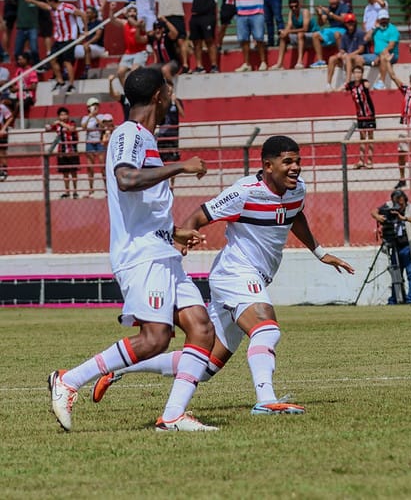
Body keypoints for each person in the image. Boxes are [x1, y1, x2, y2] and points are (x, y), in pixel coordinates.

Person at [91, 135, 355, 416]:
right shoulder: (244, 192)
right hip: (235, 271)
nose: (295, 168)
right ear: (268, 165)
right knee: (267, 327)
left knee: (204, 366)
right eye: (287, 161)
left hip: (254, 276)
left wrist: (319, 252)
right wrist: (180, 245)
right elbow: (199, 215)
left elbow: (294, 216)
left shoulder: (297, 190)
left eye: (298, 161)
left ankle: (119, 369)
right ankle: (266, 399)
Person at [48, 66, 217, 433]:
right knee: (155, 338)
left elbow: (140, 206)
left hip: (160, 252)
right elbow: (125, 179)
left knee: (202, 330)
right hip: (140, 257)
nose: (173, 94)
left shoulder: (147, 139)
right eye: (169, 88)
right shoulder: (130, 133)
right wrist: (181, 167)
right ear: (159, 95)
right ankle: (69, 380)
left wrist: (173, 233)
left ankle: (172, 415)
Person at [216, 0, 277, 72]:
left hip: (257, 14)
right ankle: (246, 64)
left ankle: (263, 62)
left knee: (259, 38)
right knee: (244, 40)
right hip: (241, 15)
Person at [371, 189, 411, 304]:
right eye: (396, 201)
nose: (398, 205)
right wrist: (378, 217)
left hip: (409, 246)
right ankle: (395, 298)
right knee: (396, 273)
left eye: (401, 202)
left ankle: (410, 299)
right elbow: (374, 211)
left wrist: (404, 218)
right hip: (394, 246)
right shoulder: (389, 206)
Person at [29, 0, 87, 94]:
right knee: (52, 58)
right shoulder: (52, 9)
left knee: (67, 62)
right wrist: (31, 0)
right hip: (59, 39)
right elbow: (43, 5)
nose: (48, 4)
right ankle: (60, 81)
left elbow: (83, 14)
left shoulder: (67, 7)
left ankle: (71, 84)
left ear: (52, 1)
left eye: (48, 2)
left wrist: (85, 30)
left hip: (69, 38)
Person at [144, 0, 189, 72]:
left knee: (181, 41)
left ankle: (185, 65)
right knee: (162, 40)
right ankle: (162, 62)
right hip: (164, 17)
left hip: (177, 15)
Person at [184, 0, 219, 73]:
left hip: (208, 16)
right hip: (195, 17)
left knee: (209, 41)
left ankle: (214, 66)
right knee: (196, 43)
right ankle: (199, 66)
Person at [270, 0, 319, 70]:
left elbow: (305, 29)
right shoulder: (291, 13)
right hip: (301, 36)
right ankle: (279, 64)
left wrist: (288, 31)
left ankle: (299, 62)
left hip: (313, 35)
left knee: (300, 34)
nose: (294, 8)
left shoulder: (305, 12)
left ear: (299, 5)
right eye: (291, 7)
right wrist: (284, 32)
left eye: (295, 6)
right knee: (284, 37)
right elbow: (289, 25)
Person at [356, 8, 399, 91]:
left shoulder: (393, 29)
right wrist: (373, 27)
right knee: (358, 58)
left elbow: (391, 46)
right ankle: (359, 83)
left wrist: (379, 56)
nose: (383, 21)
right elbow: (365, 39)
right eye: (382, 19)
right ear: (378, 19)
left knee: (383, 56)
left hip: (391, 55)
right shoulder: (376, 29)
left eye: (385, 19)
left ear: (388, 19)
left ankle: (381, 82)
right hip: (376, 55)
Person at [345, 65, 375, 169]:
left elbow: (367, 85)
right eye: (355, 72)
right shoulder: (351, 85)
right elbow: (344, 87)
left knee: (370, 137)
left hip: (369, 113)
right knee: (362, 138)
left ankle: (370, 161)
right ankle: (361, 161)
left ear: (362, 74)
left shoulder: (364, 82)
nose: (357, 74)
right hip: (360, 115)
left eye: (359, 72)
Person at [310, 0, 351, 68]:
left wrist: (330, 13)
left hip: (343, 29)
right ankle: (320, 61)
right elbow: (321, 23)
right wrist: (319, 15)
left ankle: (342, 58)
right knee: (315, 35)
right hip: (331, 30)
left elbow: (343, 20)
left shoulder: (344, 7)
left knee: (337, 34)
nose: (332, 1)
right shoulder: (328, 9)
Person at [4, 0, 40, 64]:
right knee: (17, 51)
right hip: (21, 29)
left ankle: (37, 65)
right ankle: (20, 68)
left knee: (34, 49)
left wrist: (32, 1)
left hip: (33, 28)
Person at [47, 107, 80, 199]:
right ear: (58, 116)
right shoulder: (57, 126)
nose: (64, 116)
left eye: (65, 114)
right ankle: (67, 191)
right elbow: (48, 128)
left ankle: (75, 191)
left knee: (73, 172)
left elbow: (71, 129)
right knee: (65, 173)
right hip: (62, 151)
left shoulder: (71, 122)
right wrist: (49, 126)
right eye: (61, 115)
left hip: (72, 151)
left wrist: (61, 123)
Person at [110, 3, 148, 83]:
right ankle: (127, 92)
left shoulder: (141, 22)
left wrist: (127, 15)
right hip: (128, 53)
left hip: (140, 52)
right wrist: (111, 10)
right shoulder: (125, 23)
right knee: (120, 73)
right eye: (130, 11)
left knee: (133, 72)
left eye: (134, 11)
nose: (132, 13)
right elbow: (112, 19)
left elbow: (136, 24)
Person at [325, 12, 364, 89]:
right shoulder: (345, 35)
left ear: (355, 22)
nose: (350, 24)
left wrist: (349, 55)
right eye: (348, 22)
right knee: (332, 59)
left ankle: (348, 82)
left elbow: (361, 49)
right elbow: (342, 49)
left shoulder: (359, 33)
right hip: (348, 56)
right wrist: (341, 53)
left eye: (352, 22)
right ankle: (328, 84)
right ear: (345, 24)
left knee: (348, 57)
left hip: (357, 56)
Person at [156, 87, 184, 189]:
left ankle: (172, 185)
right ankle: (163, 183)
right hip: (163, 135)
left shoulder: (177, 101)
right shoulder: (161, 102)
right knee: (161, 161)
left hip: (173, 135)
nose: (169, 92)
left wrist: (175, 102)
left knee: (173, 161)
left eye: (170, 90)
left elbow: (183, 114)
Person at [81, 97, 106, 196]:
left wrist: (95, 117)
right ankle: (91, 188)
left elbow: (103, 126)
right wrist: (90, 116)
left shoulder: (101, 116)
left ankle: (106, 188)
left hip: (99, 142)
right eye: (92, 106)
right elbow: (83, 127)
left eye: (96, 105)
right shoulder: (85, 117)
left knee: (102, 166)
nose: (95, 107)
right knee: (90, 167)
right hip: (90, 142)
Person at [74, 6, 108, 79]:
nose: (86, 14)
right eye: (86, 13)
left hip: (99, 47)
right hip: (89, 48)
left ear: (94, 14)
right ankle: (66, 72)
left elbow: (97, 37)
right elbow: (81, 37)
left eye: (88, 13)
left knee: (86, 47)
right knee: (71, 50)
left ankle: (87, 71)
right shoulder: (86, 25)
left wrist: (88, 43)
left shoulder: (99, 23)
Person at [0, 98, 13, 181]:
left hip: (1, 130)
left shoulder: (1, 107)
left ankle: (4, 171)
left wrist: (3, 129)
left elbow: (10, 117)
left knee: (2, 151)